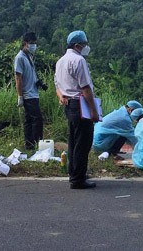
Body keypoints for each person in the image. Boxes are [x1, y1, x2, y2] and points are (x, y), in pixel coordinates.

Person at [54, 30, 100, 189]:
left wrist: (61, 96)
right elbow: (86, 88)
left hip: (69, 105)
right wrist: (94, 111)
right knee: (83, 142)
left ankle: (74, 173)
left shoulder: (60, 61)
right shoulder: (79, 60)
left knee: (73, 141)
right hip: (80, 104)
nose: (86, 47)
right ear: (78, 45)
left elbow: (57, 86)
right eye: (85, 44)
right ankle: (78, 179)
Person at [14, 32, 44, 150]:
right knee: (37, 120)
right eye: (32, 43)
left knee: (29, 120)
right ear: (25, 43)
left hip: (33, 92)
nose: (34, 46)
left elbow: (30, 75)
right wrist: (20, 96)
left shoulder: (29, 57)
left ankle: (29, 144)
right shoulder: (20, 57)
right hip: (28, 95)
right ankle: (37, 144)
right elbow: (18, 78)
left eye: (35, 43)